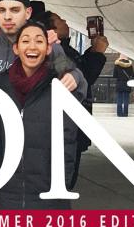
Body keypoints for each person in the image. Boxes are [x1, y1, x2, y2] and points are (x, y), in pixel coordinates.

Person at [0, 21, 78, 227]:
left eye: (39, 40)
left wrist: (64, 178)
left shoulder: (59, 80)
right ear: (16, 48)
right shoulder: (1, 85)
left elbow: (69, 135)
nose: (32, 46)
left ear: (48, 48)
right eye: (25, 41)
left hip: (48, 183)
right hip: (11, 185)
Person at [0, 0, 86, 97]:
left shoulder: (48, 46)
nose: (7, 16)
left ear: (28, 12)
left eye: (15, 10)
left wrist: (75, 77)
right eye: (2, 10)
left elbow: (72, 76)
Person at [43, 10, 107, 188]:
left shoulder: (65, 49)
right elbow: (81, 80)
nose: (65, 21)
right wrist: (97, 53)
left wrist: (94, 50)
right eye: (59, 19)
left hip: (73, 127)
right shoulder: (56, 51)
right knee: (64, 177)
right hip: (67, 125)